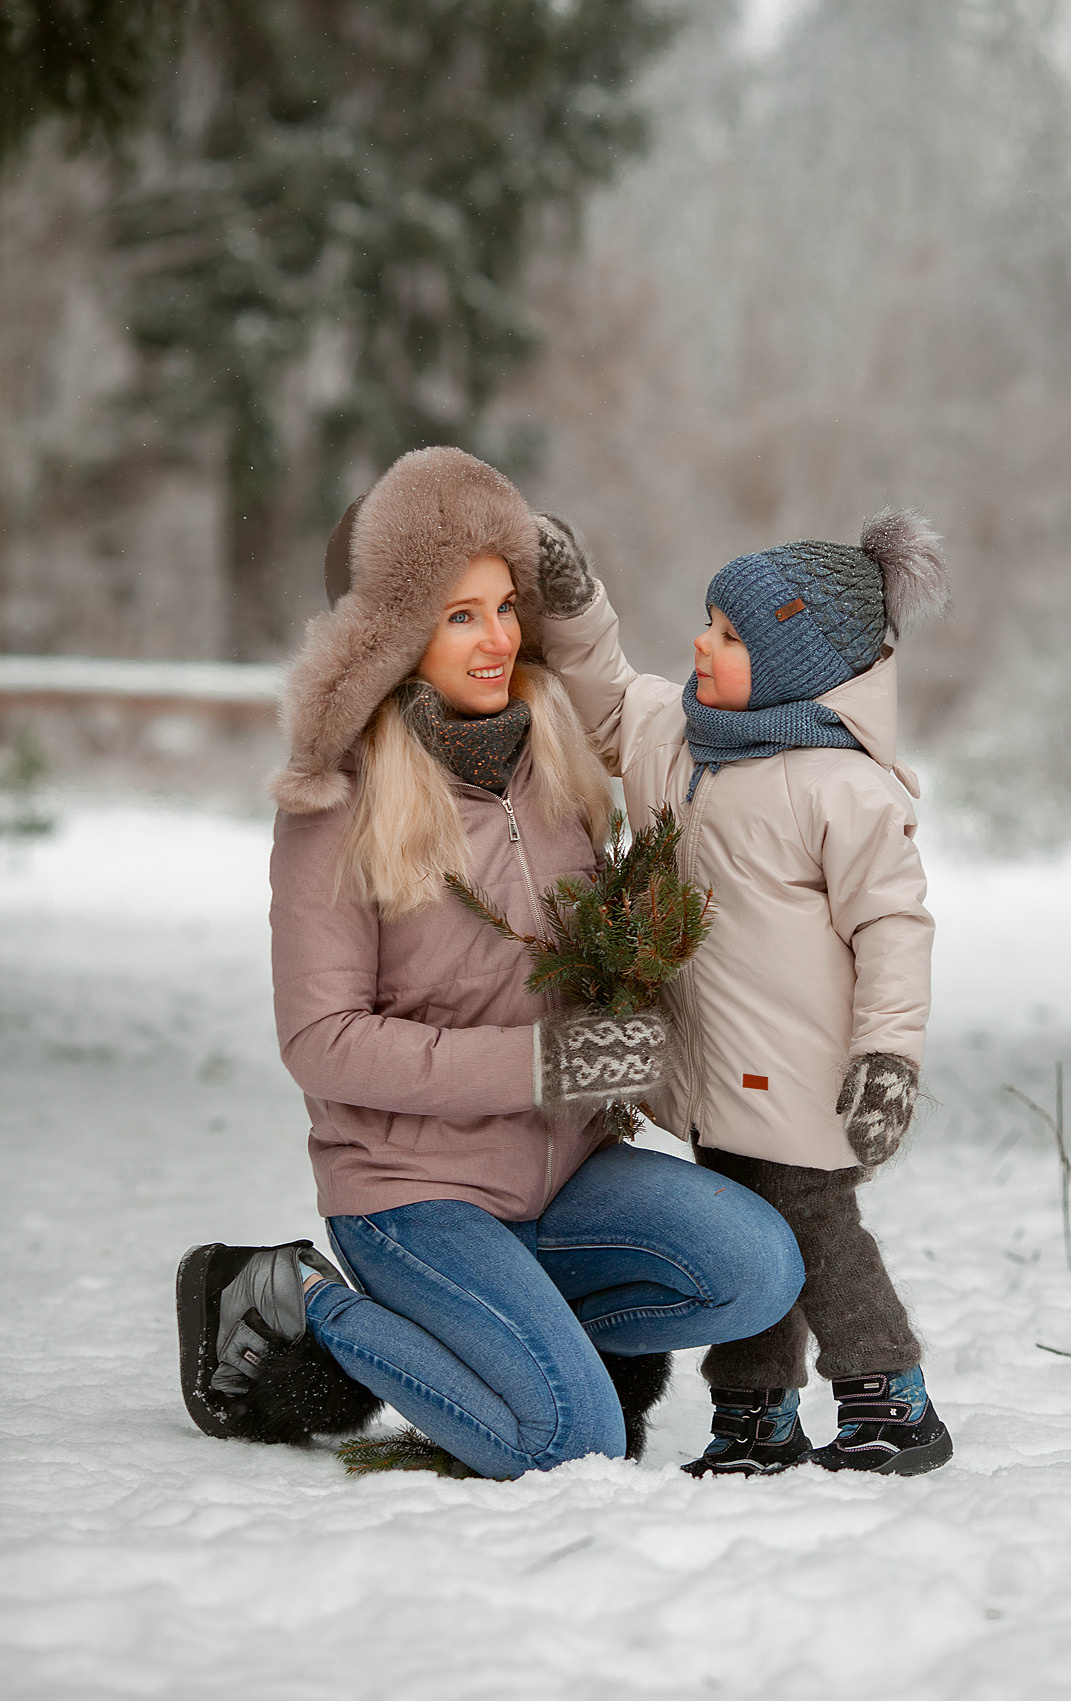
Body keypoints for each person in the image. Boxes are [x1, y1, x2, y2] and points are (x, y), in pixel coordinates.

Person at [176, 447, 805, 1479]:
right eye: (459, 614)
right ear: (391, 630)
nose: (497, 639)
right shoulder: (338, 806)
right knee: (568, 1443)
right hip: (411, 1191)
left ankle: (516, 1337)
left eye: (505, 607)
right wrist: (539, 1065)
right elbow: (320, 1042)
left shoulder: (554, 766)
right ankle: (300, 1297)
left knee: (757, 1265)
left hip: (564, 1175)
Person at [533, 509, 954, 1476]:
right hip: (720, 1080)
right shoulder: (680, 737)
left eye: (730, 635)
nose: (702, 643)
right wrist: (573, 601)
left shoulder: (841, 789)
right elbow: (603, 700)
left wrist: (887, 1058)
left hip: (810, 1081)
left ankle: (891, 1394)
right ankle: (754, 1415)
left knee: (817, 1232)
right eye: (708, 621)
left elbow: (893, 928)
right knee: (746, 1239)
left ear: (797, 665)